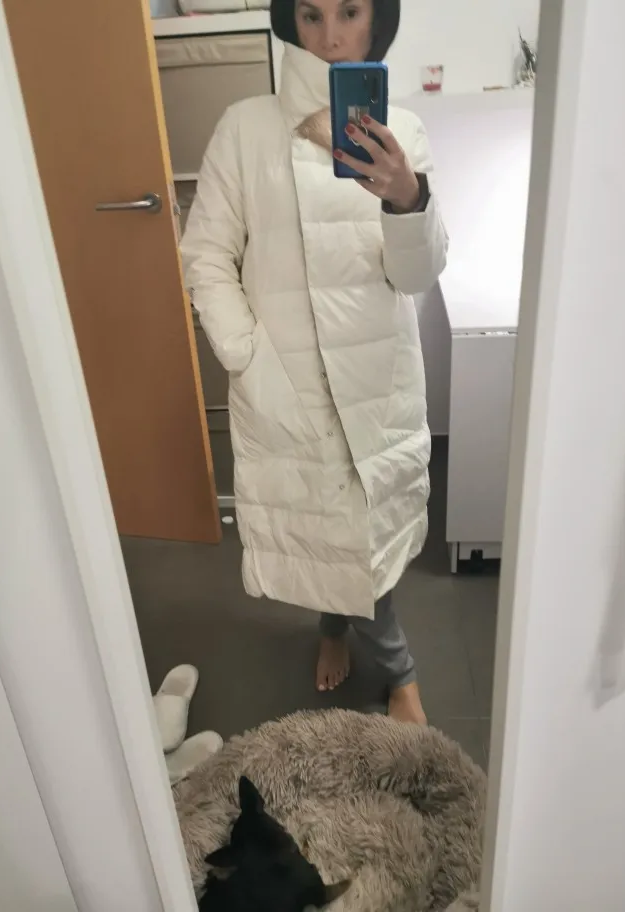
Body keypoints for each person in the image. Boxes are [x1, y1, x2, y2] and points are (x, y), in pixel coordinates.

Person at [181, 0, 448, 725]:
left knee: (367, 535)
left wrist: (407, 199)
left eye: (350, 12)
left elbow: (418, 276)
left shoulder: (404, 132)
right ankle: (363, 646)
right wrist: (246, 353)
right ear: (288, 21)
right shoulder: (245, 129)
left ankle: (374, 652)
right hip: (290, 379)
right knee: (328, 528)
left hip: (374, 374)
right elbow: (206, 254)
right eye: (311, 15)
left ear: (377, 19)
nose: (331, 37)